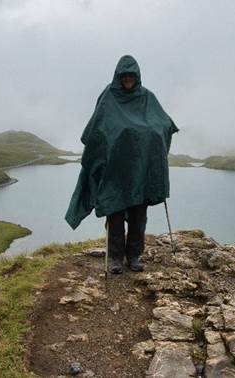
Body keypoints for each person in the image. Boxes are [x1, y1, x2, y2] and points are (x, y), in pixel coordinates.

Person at [64, 55, 179, 274]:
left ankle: (134, 255)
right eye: (124, 76)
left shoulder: (147, 98)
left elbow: (163, 124)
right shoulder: (109, 97)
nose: (128, 79)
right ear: (118, 76)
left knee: (138, 215)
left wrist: (154, 137)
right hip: (115, 170)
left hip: (141, 170)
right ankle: (115, 258)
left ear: (137, 76)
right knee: (115, 213)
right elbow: (96, 130)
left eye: (131, 76)